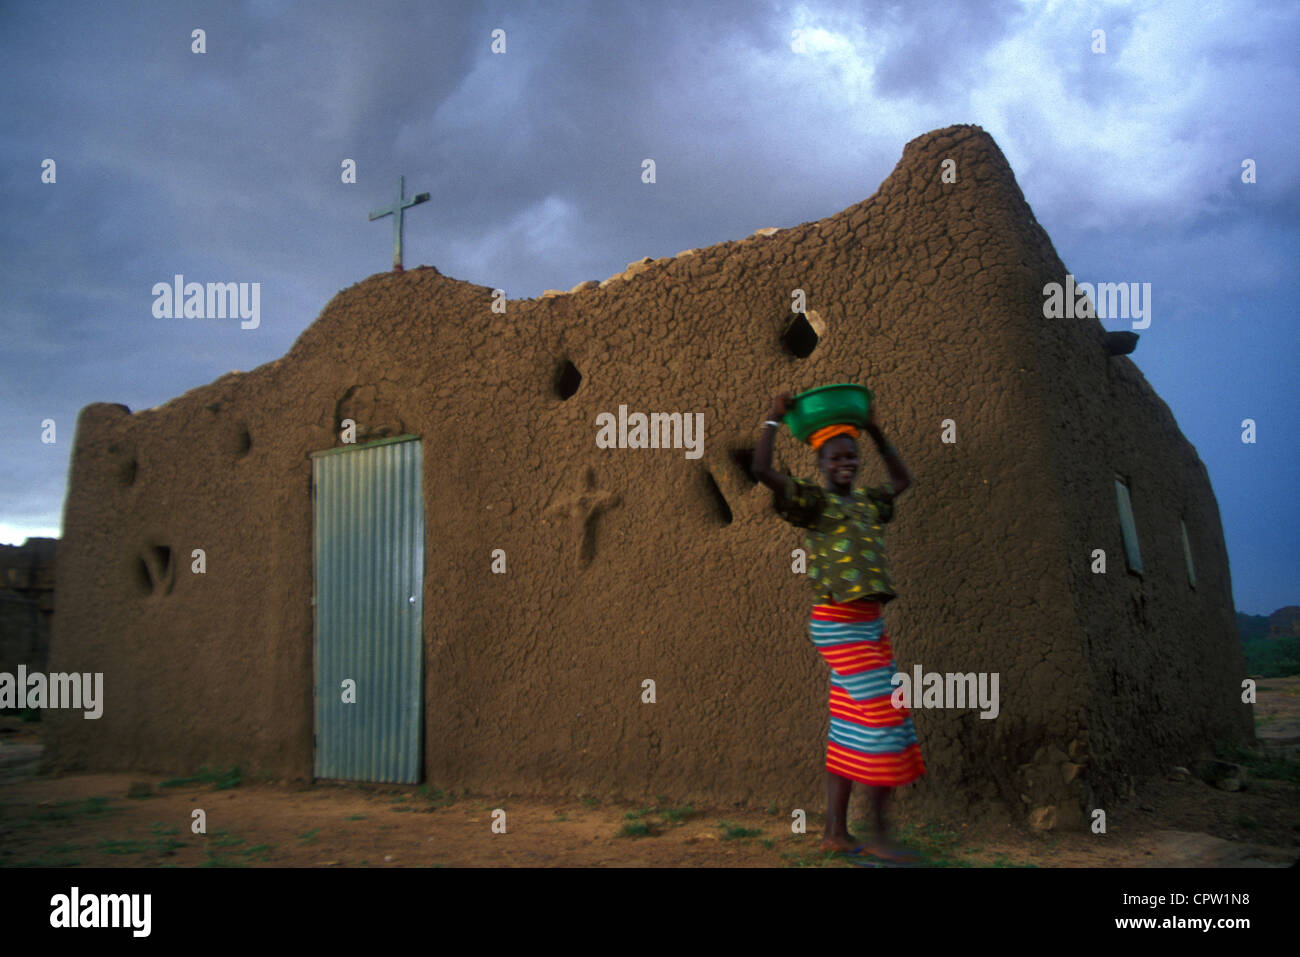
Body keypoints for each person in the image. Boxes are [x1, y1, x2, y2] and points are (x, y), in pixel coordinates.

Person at [754, 390, 925, 859]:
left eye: (852, 456)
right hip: (839, 624)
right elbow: (762, 472)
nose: (846, 463)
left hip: (871, 628)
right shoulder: (815, 504)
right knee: (888, 722)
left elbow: (903, 480)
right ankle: (881, 833)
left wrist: (873, 429)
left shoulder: (869, 503)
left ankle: (835, 831)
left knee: (850, 726)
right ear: (821, 464)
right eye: (836, 458)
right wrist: (772, 418)